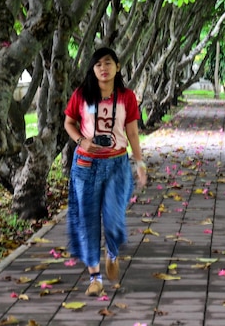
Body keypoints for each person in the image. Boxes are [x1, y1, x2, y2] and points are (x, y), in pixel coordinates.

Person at [64, 47, 147, 296]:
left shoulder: (127, 97)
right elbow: (68, 122)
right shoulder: (82, 94)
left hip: (117, 166)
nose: (103, 68)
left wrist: (139, 163)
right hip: (86, 166)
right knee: (87, 221)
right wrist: (81, 141)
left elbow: (132, 132)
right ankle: (94, 278)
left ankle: (112, 253)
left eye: (108, 63)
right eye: (98, 64)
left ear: (118, 67)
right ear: (93, 68)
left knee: (113, 219)